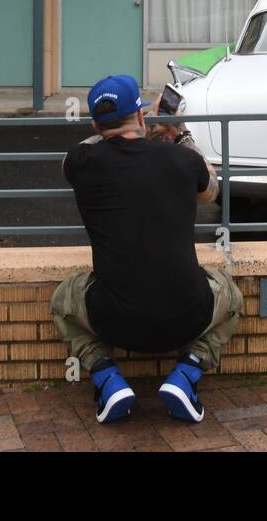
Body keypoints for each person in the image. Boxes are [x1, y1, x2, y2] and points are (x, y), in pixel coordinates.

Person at [51, 73, 243, 425]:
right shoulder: (181, 160)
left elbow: (86, 148)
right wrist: (178, 134)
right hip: (188, 316)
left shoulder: (80, 163)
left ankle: (108, 378)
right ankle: (186, 375)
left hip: (114, 321)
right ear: (140, 116)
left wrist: (115, 132)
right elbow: (210, 190)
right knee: (231, 295)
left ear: (95, 122)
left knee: (63, 299)